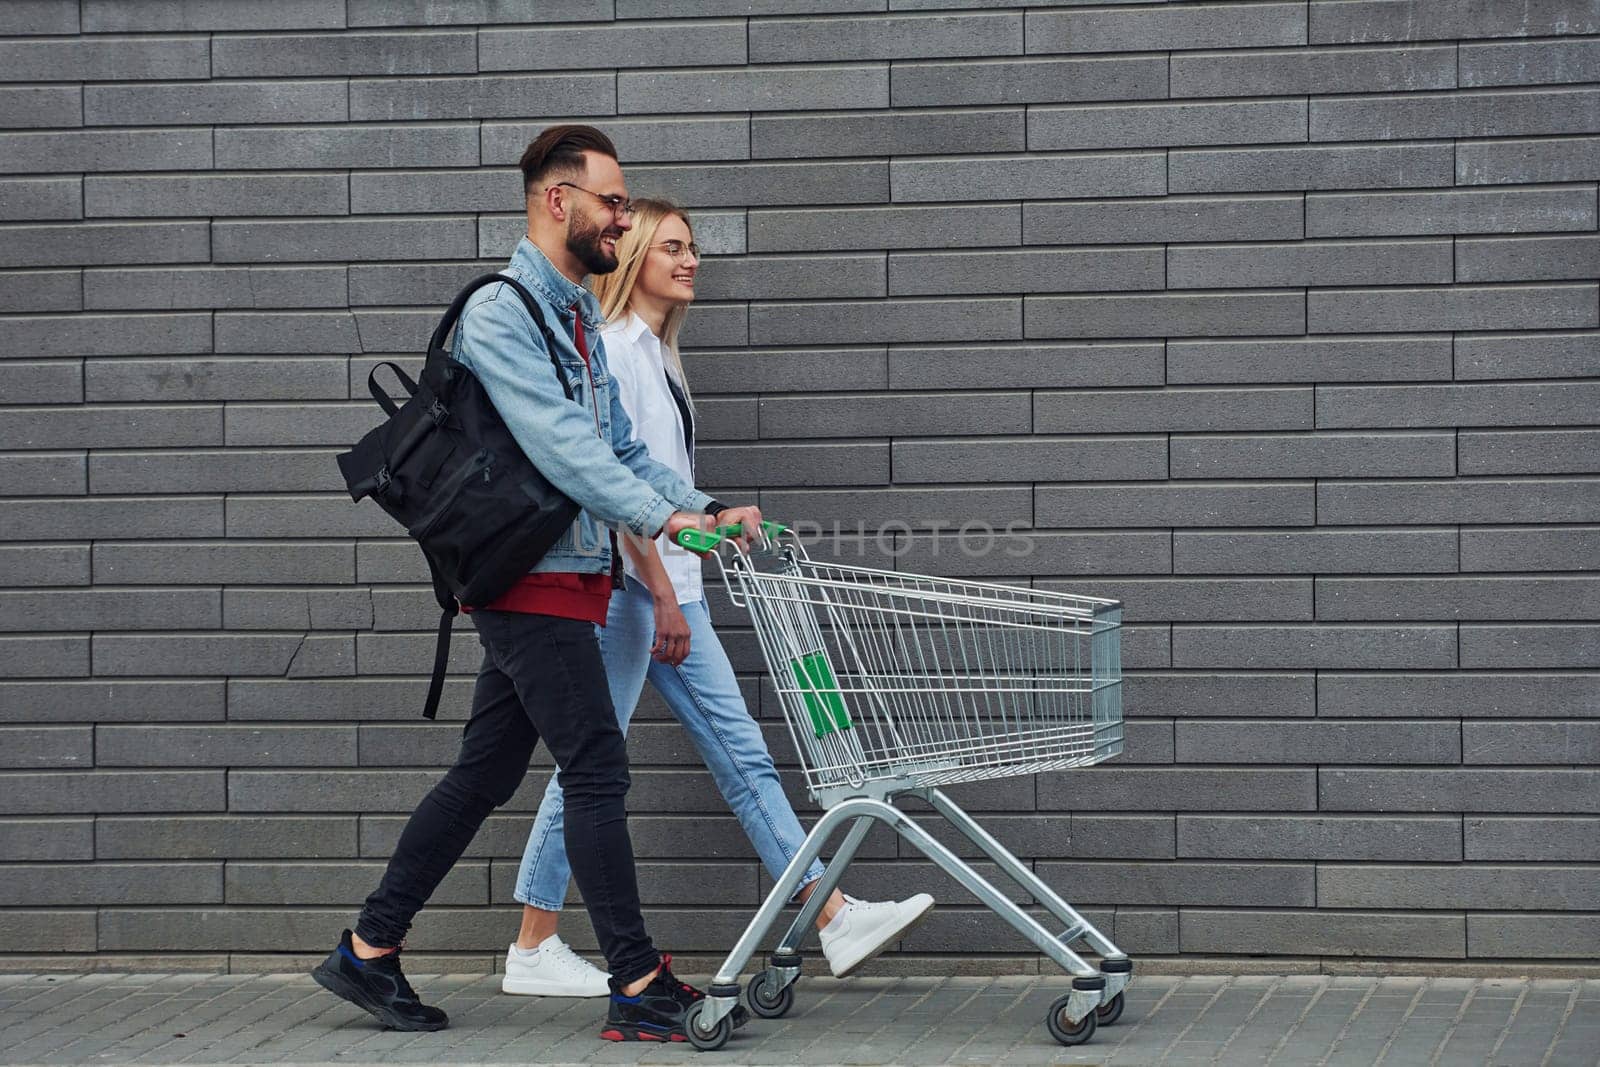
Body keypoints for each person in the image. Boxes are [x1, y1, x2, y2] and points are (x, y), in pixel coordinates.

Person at [311, 125, 764, 1043]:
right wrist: (660, 520)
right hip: (526, 578)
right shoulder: (503, 313)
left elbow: (621, 446)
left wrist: (700, 504)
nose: (621, 218)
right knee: (596, 767)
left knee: (484, 773)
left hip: (566, 575)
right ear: (559, 201)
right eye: (611, 201)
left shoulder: (574, 314)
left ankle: (368, 950)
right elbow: (563, 449)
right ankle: (637, 980)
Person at [498, 198, 934, 1001]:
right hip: (638, 596)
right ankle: (533, 939)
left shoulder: (657, 355)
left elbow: (660, 482)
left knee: (739, 758)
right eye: (672, 247)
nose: (691, 259)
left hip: (672, 592)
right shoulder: (620, 352)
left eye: (693, 247)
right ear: (634, 261)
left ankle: (830, 913)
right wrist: (662, 592)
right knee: (591, 765)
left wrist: (716, 514)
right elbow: (611, 485)